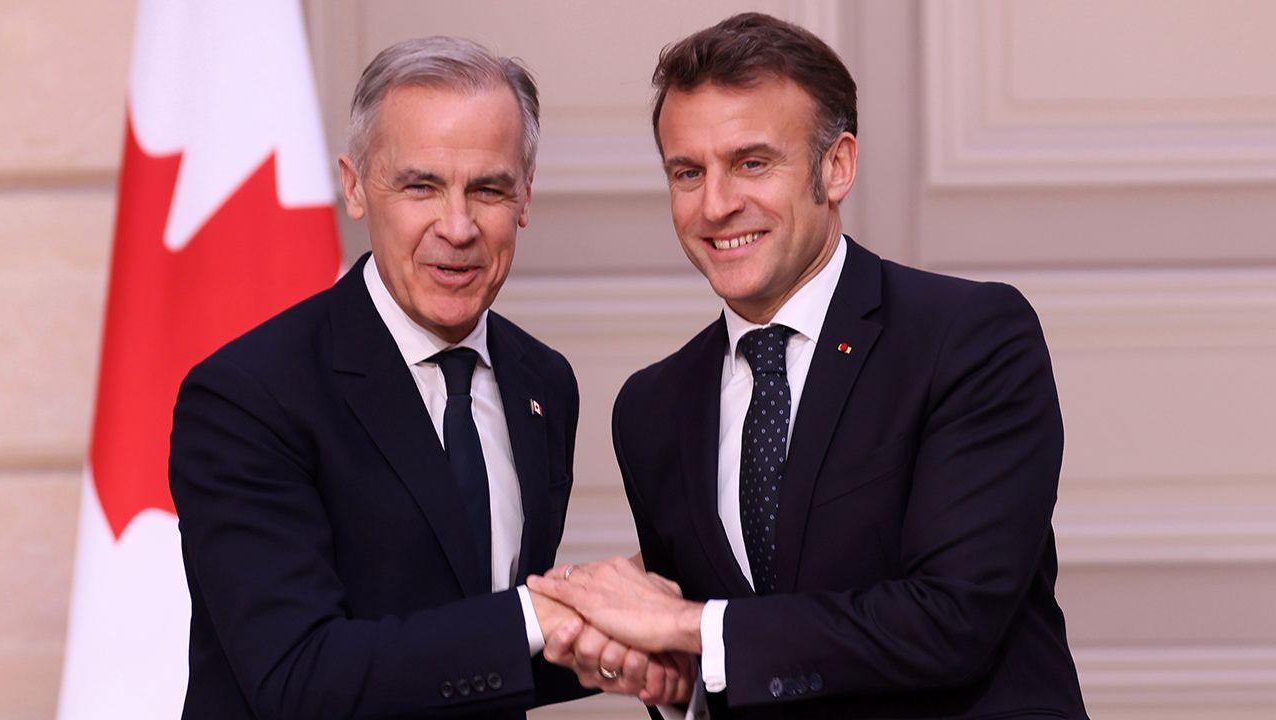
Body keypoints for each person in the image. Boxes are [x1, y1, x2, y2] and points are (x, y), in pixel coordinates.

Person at [529, 13, 1089, 719]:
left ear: (838, 165)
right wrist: (675, 682)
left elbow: (951, 621)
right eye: (687, 172)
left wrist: (687, 625)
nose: (716, 205)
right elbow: (732, 662)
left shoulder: (968, 337)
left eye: (751, 163)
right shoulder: (652, 407)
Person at [169, 36, 687, 718]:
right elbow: (299, 679)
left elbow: (475, 655)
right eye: (422, 186)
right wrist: (547, 611)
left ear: (525, 197)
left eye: (489, 188)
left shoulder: (544, 384)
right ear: (356, 187)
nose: (458, 226)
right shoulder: (246, 398)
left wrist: (616, 644)